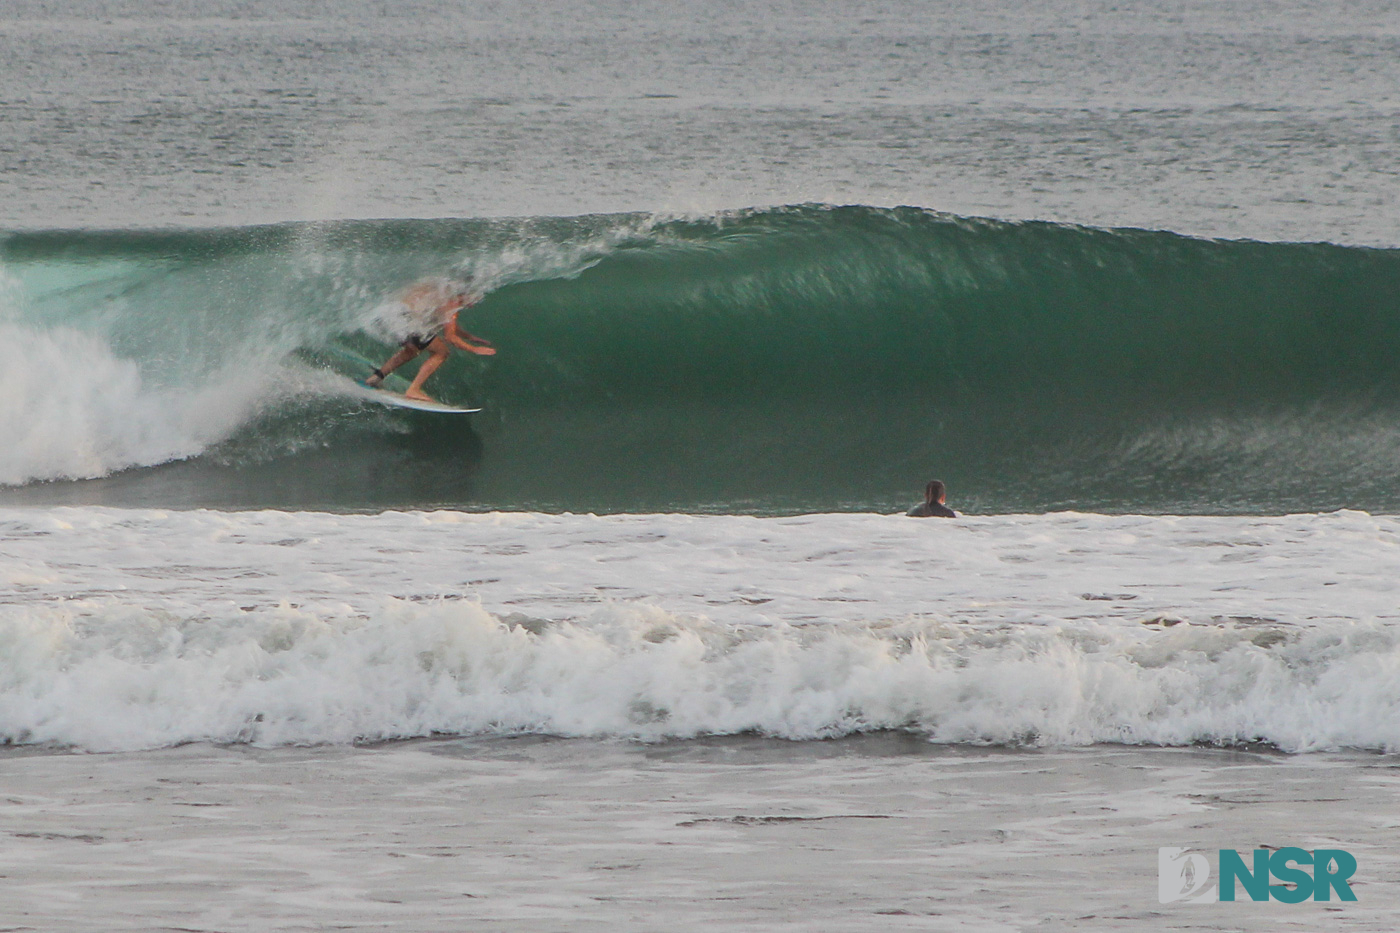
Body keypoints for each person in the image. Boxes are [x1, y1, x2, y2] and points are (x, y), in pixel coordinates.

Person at [365, 277, 496, 401]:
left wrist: (470, 337)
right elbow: (450, 337)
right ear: (464, 294)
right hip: (406, 320)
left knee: (411, 351)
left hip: (393, 315)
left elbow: (449, 324)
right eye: (472, 298)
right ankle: (413, 390)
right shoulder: (453, 304)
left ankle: (376, 378)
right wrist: (474, 349)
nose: (472, 304)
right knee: (441, 352)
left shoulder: (444, 293)